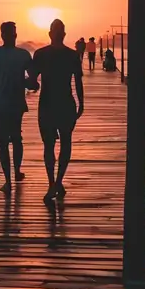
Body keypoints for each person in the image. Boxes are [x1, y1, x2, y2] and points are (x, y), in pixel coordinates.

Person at [31, 19, 84, 204]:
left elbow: (32, 81)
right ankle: (58, 182)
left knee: (49, 145)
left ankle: (52, 183)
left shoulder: (40, 54)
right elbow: (77, 81)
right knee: (65, 144)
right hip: (66, 104)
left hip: (47, 104)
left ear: (49, 34)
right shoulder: (72, 56)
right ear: (64, 34)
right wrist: (81, 103)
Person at [0, 22, 34, 195]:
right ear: (10, 35)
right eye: (12, 33)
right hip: (13, 103)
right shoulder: (23, 55)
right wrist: (30, 83)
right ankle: (14, 174)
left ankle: (9, 180)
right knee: (15, 138)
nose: (13, 36)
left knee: (5, 142)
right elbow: (32, 79)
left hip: (0, 104)